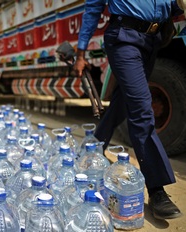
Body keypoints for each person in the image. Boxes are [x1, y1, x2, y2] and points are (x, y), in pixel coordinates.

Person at [73, 0, 183, 220]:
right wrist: (81, 52)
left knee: (123, 101)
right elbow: (93, 8)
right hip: (124, 39)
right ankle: (157, 190)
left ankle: (94, 145)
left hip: (153, 39)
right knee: (142, 110)